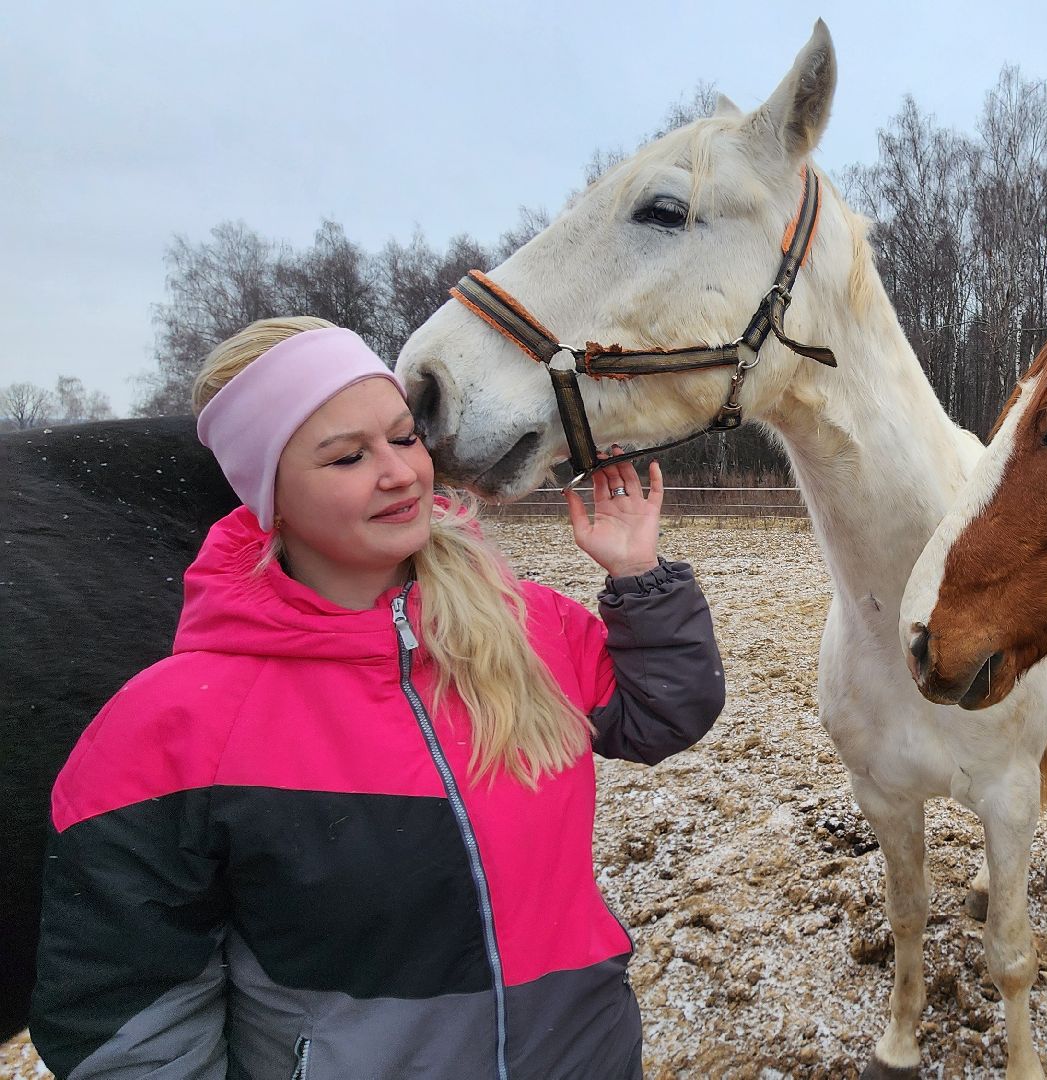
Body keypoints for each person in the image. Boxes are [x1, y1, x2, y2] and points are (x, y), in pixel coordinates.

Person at [29, 317, 724, 1079]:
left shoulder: (525, 628)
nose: (400, 472)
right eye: (349, 456)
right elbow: (127, 1017)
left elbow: (664, 715)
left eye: (404, 438)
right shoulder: (171, 725)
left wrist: (638, 578)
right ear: (272, 497)